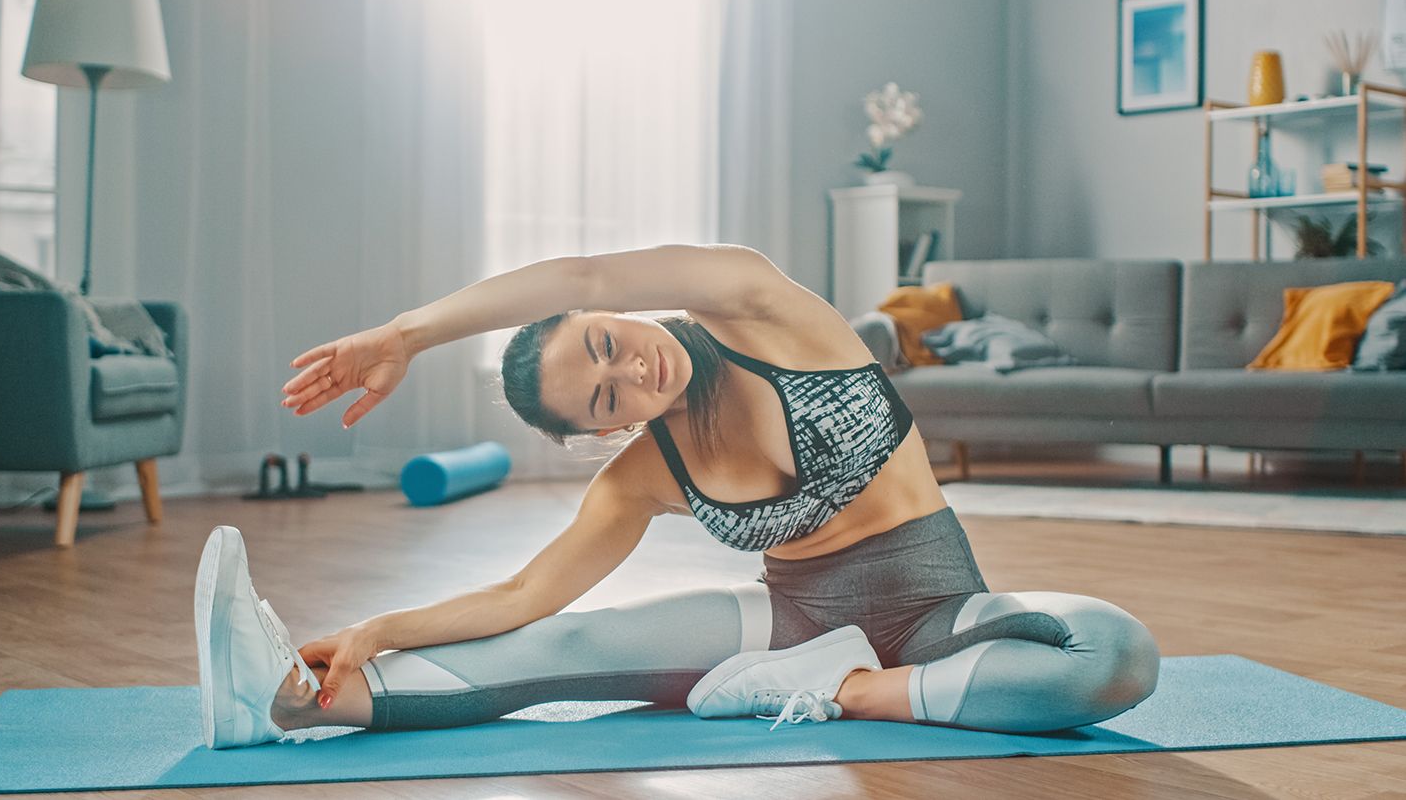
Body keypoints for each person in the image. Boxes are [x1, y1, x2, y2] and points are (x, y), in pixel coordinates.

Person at [194, 243, 1160, 749]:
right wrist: (380, 628)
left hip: (943, 606)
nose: (631, 373)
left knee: (1111, 655)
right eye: (604, 399)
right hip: (792, 623)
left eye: (606, 344)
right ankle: (279, 700)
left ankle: (844, 695)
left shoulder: (754, 306)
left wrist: (408, 333)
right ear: (603, 430)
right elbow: (524, 601)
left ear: (604, 314)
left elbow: (579, 267)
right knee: (558, 652)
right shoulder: (645, 473)